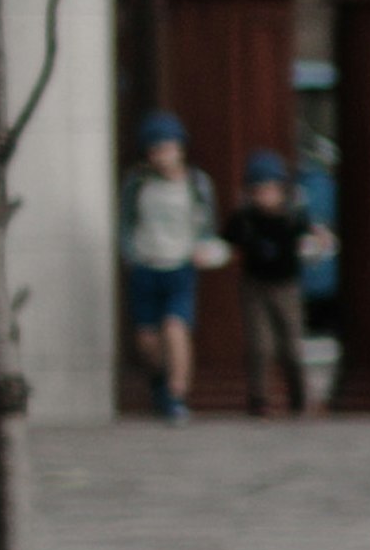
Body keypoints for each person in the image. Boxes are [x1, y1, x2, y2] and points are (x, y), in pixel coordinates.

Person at [120, 111, 216, 426]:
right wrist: (130, 253)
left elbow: (205, 223)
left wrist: (202, 248)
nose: (162, 156)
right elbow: (126, 222)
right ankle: (160, 381)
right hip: (147, 265)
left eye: (167, 148)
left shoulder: (196, 183)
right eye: (155, 150)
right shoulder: (137, 183)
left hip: (180, 265)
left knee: (176, 328)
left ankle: (177, 394)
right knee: (147, 340)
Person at [225, 150, 319, 419]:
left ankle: (299, 397)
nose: (265, 196)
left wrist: (316, 244)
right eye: (259, 190)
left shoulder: (292, 218)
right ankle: (259, 399)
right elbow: (226, 242)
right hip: (255, 286)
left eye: (270, 189)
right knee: (260, 344)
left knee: (291, 344)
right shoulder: (244, 219)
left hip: (287, 286)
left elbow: (313, 241)